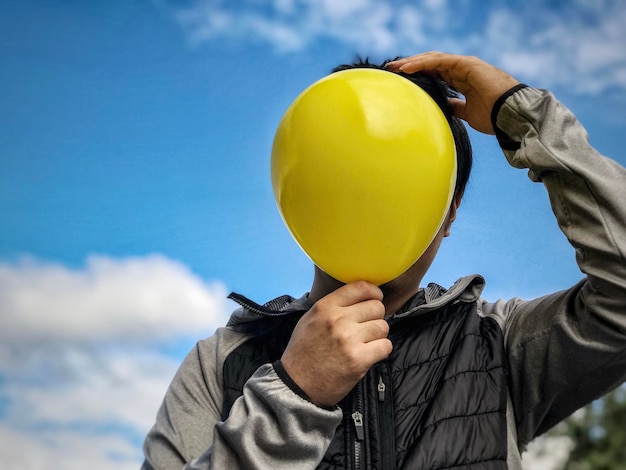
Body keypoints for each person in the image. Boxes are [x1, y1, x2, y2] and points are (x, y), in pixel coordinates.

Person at [142, 52, 626, 469]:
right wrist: (292, 395)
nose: (369, 195)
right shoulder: (220, 362)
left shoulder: (499, 344)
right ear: (299, 191)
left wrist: (522, 115)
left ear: (448, 212)